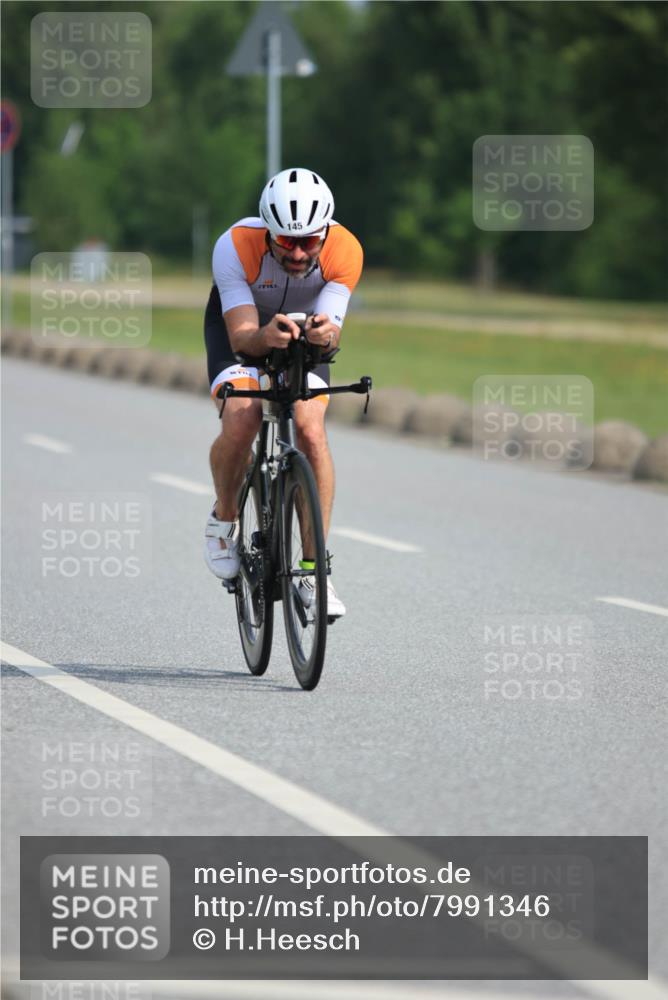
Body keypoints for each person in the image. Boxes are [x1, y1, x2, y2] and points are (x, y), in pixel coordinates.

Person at [203, 167, 363, 619]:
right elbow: (242, 337)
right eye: (285, 241)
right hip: (243, 329)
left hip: (302, 336)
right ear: (267, 232)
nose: (296, 252)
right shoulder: (234, 245)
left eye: (309, 241)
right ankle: (224, 518)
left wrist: (321, 336)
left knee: (311, 433)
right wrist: (264, 337)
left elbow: (331, 335)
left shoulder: (346, 250)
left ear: (325, 233)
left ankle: (314, 572)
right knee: (243, 416)